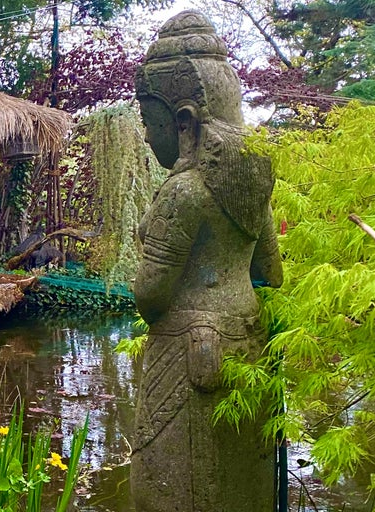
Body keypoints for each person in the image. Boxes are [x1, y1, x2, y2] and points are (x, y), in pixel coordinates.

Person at [129, 11, 284, 512]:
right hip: (250, 348)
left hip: (188, 354)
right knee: (246, 484)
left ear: (185, 121)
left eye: (151, 124)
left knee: (175, 486)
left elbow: (149, 297)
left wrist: (146, 244)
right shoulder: (250, 192)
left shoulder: (184, 192)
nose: (149, 139)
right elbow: (271, 274)